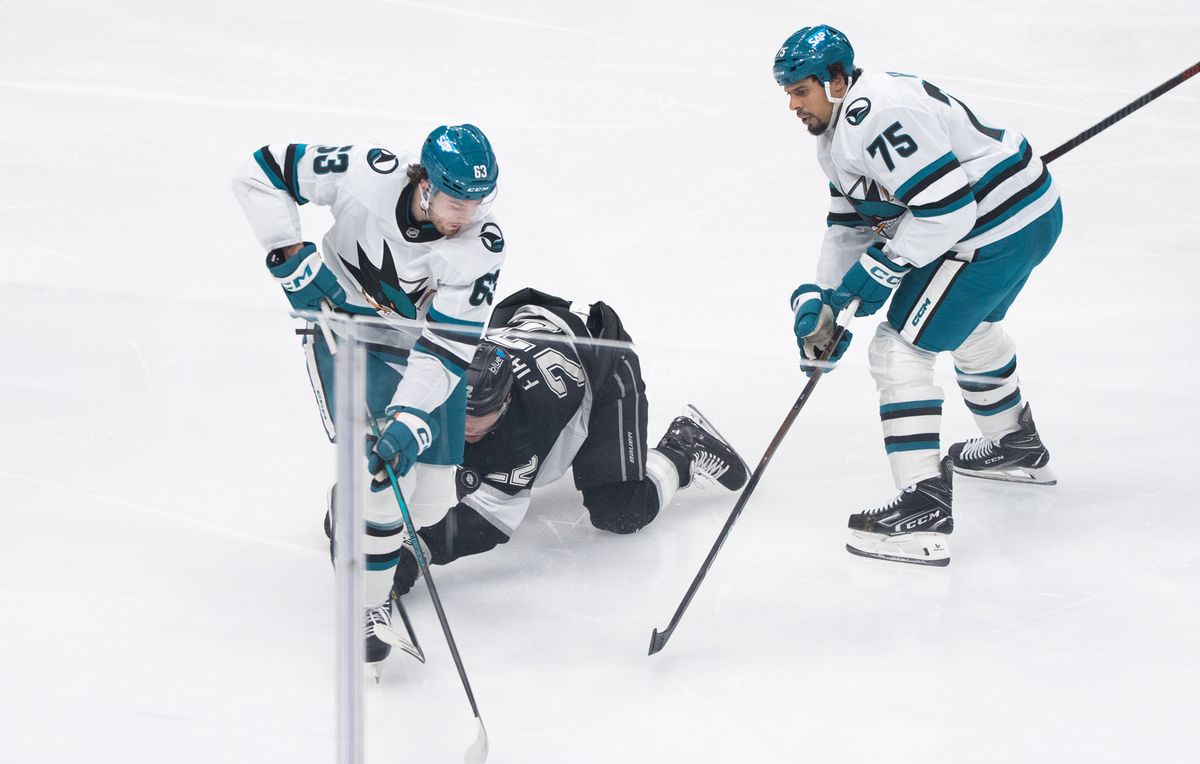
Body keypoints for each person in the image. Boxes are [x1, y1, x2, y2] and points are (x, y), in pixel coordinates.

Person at [774, 25, 1061, 567]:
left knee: (899, 347)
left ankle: (922, 511)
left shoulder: (874, 116)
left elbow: (949, 211)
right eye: (787, 92)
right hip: (1029, 217)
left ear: (836, 80)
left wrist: (878, 275)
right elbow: (850, 227)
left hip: (990, 232)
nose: (792, 104)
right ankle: (1015, 446)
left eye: (800, 90)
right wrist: (828, 301)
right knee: (967, 325)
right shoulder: (837, 132)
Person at [231, 125, 505, 663]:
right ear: (423, 183)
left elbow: (449, 347)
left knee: (430, 503)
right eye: (455, 201)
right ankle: (366, 607)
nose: (464, 217)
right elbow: (259, 170)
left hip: (425, 351)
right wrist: (290, 254)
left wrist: (411, 412)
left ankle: (355, 513)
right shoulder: (365, 173)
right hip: (345, 331)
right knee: (386, 474)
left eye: (476, 203)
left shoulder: (479, 247)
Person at [385, 287, 750, 596]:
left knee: (621, 511)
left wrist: (419, 551)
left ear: (507, 400)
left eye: (479, 415)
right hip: (533, 325)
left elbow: (491, 518)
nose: (466, 424)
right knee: (467, 476)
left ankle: (684, 446)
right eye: (458, 413)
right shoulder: (440, 383)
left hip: (602, 356)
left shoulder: (522, 427)